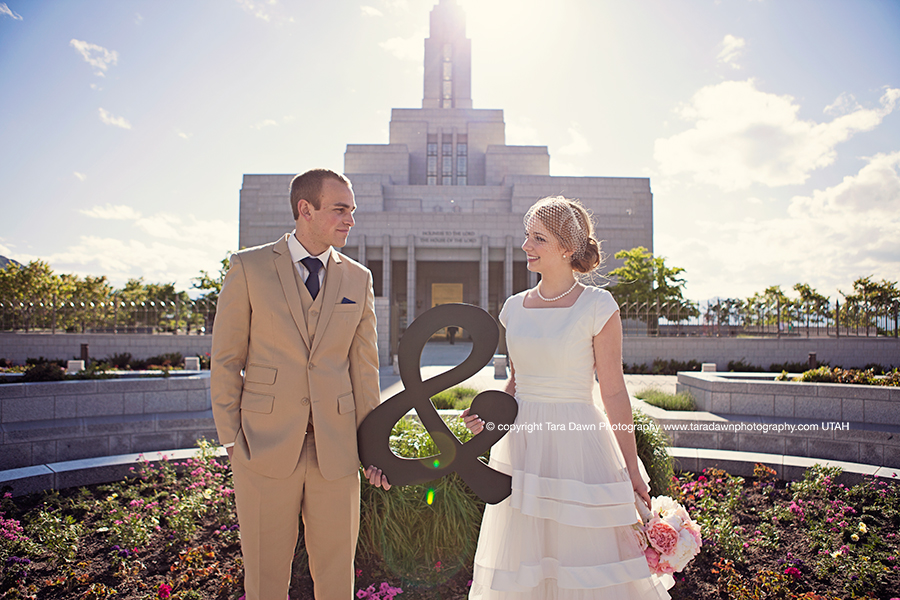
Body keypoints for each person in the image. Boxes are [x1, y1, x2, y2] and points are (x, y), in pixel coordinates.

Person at [462, 196, 671, 599]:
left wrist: (631, 466)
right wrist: (489, 420)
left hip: (579, 443)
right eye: (527, 236)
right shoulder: (513, 308)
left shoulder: (597, 305)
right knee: (525, 562)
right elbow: (517, 383)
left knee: (584, 565)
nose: (526, 246)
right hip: (520, 444)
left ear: (567, 248)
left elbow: (612, 390)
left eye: (537, 238)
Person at [211, 168, 390, 600]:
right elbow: (226, 359)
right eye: (340, 210)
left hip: (337, 450)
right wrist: (232, 438)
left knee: (336, 578)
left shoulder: (358, 278)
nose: (350, 220)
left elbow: (364, 370)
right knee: (265, 577)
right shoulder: (249, 267)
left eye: (352, 211)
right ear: (304, 209)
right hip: (263, 447)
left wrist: (372, 447)